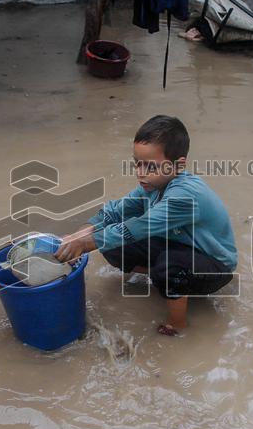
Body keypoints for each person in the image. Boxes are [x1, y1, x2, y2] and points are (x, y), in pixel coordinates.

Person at [56, 115, 238, 335]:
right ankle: (164, 279)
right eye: (137, 163)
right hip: (182, 248)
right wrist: (78, 236)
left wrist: (85, 243)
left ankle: (178, 324)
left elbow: (140, 227)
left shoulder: (185, 196)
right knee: (112, 243)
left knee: (167, 265)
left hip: (214, 267)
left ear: (178, 165)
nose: (140, 173)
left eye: (150, 166)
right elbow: (115, 211)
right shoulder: (150, 185)